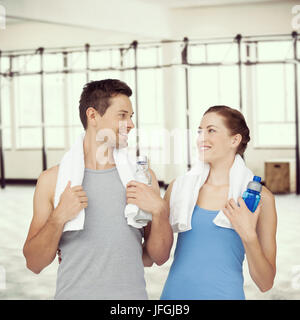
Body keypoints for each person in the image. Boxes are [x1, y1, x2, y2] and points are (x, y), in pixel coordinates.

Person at [23, 79, 173, 300]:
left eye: (131, 117)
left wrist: (160, 211)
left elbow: (155, 258)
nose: (130, 124)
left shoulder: (142, 178)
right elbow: (34, 263)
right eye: (122, 115)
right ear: (92, 116)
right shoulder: (52, 181)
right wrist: (59, 218)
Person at [160, 105, 277, 300]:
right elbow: (155, 255)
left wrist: (248, 235)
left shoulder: (259, 199)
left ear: (235, 139)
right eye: (200, 131)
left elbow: (265, 283)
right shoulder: (179, 188)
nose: (201, 138)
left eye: (211, 130)